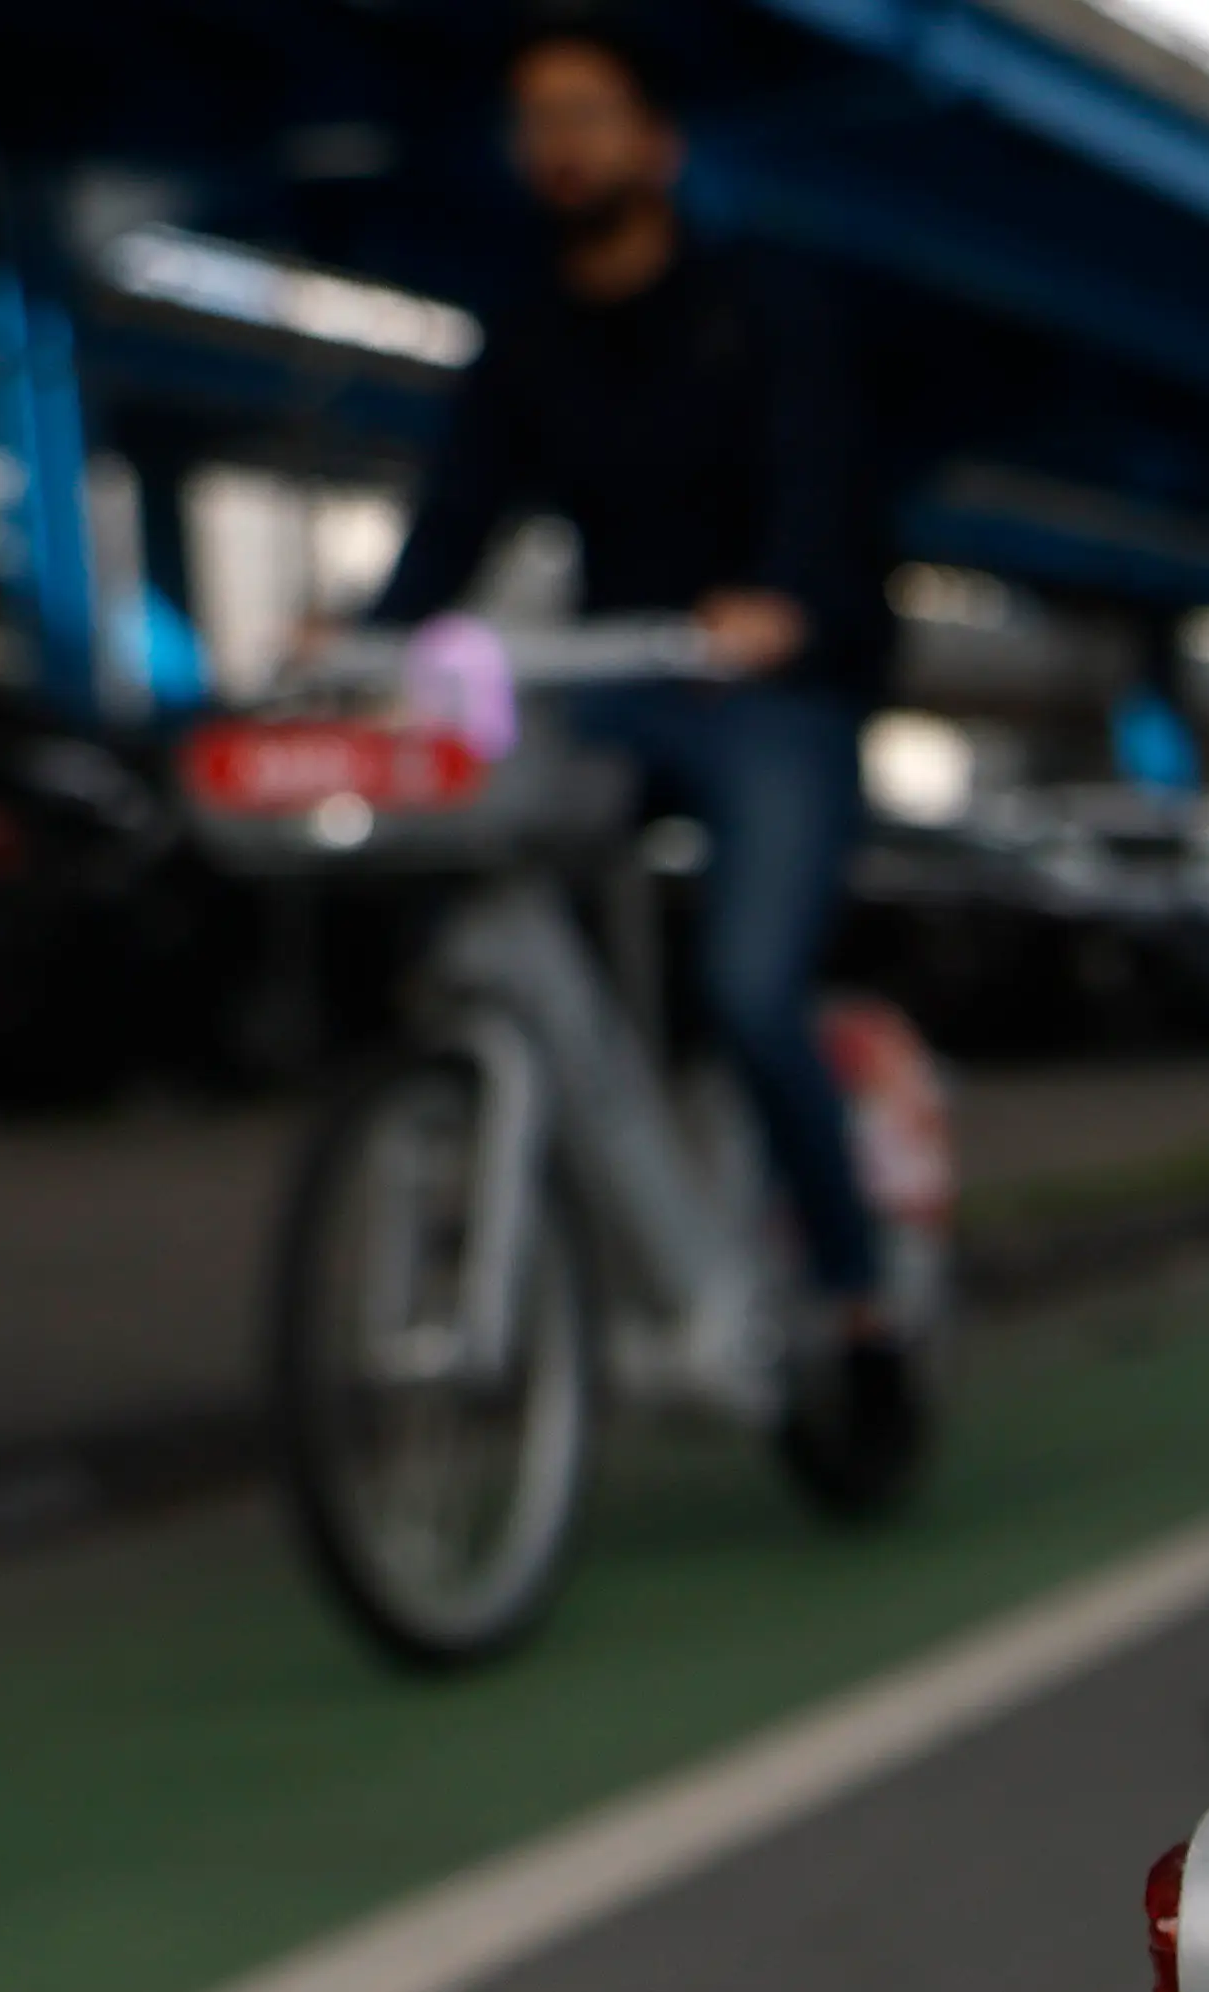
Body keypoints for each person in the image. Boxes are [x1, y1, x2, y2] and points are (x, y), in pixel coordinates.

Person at [366, 5, 914, 1464]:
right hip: (613, 687)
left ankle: (859, 1304)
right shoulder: (526, 339)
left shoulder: (765, 303)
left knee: (750, 993)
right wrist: (367, 635)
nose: (560, 145)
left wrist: (781, 600)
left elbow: (823, 482)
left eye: (588, 115)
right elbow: (456, 518)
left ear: (656, 146)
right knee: (482, 898)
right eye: (536, 120)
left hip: (771, 698)